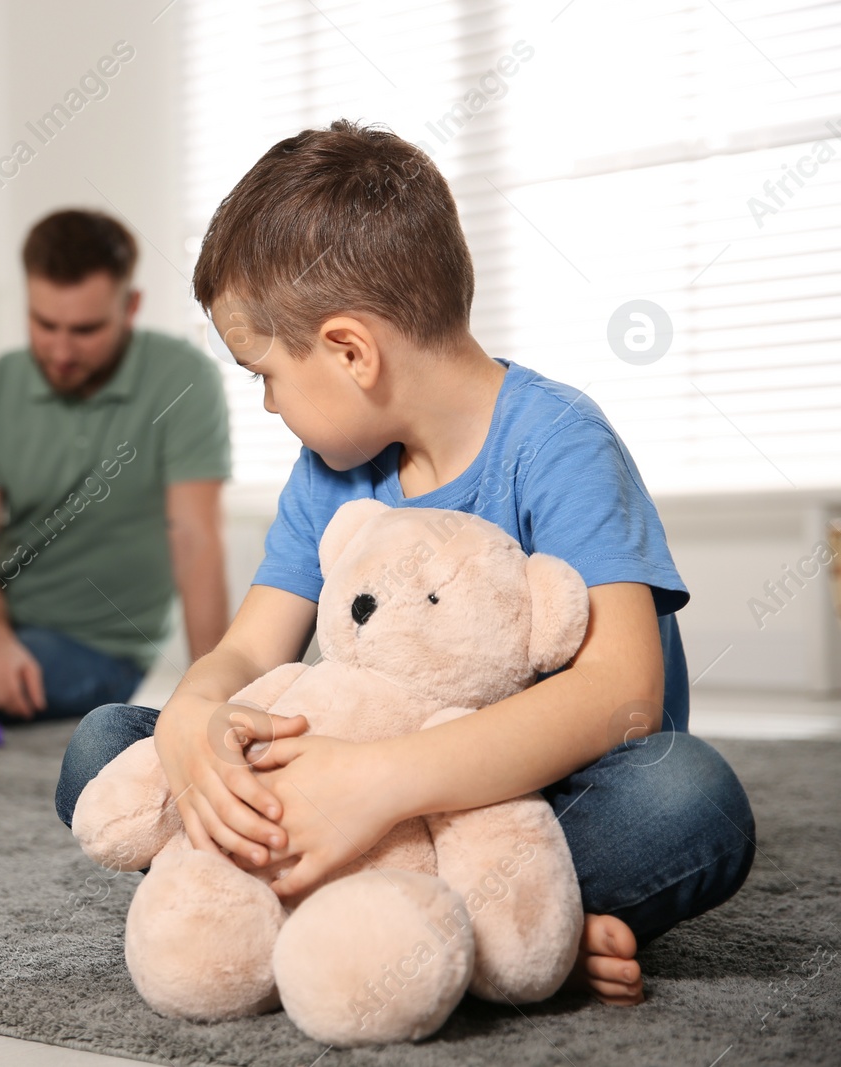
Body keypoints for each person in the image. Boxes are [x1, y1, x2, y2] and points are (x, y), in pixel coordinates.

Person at [55, 121, 754, 1006]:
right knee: (106, 747)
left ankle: (420, 918)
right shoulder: (331, 472)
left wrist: (375, 785)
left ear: (351, 351)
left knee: (689, 800)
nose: (267, 404)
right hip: (346, 777)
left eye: (264, 374)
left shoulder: (559, 441)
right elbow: (246, 652)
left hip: (516, 804)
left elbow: (624, 691)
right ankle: (491, 938)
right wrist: (194, 721)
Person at [0, 209, 233, 728]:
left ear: (131, 306)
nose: (60, 350)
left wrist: (214, 696)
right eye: (44, 324)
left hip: (99, 643)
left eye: (85, 329)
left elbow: (196, 541)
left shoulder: (184, 378)